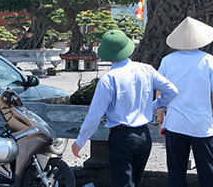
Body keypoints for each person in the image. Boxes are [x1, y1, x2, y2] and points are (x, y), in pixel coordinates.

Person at [72, 30, 179, 187]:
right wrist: (153, 106)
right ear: (129, 49)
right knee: (135, 181)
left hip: (121, 136)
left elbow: (94, 116)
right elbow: (172, 91)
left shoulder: (109, 79)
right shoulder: (146, 69)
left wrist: (80, 141)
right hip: (144, 135)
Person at [157, 17, 213, 187]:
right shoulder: (209, 60)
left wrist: (162, 119)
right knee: (209, 170)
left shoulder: (168, 60)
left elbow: (159, 93)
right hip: (201, 124)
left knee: (176, 172)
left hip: (175, 123)